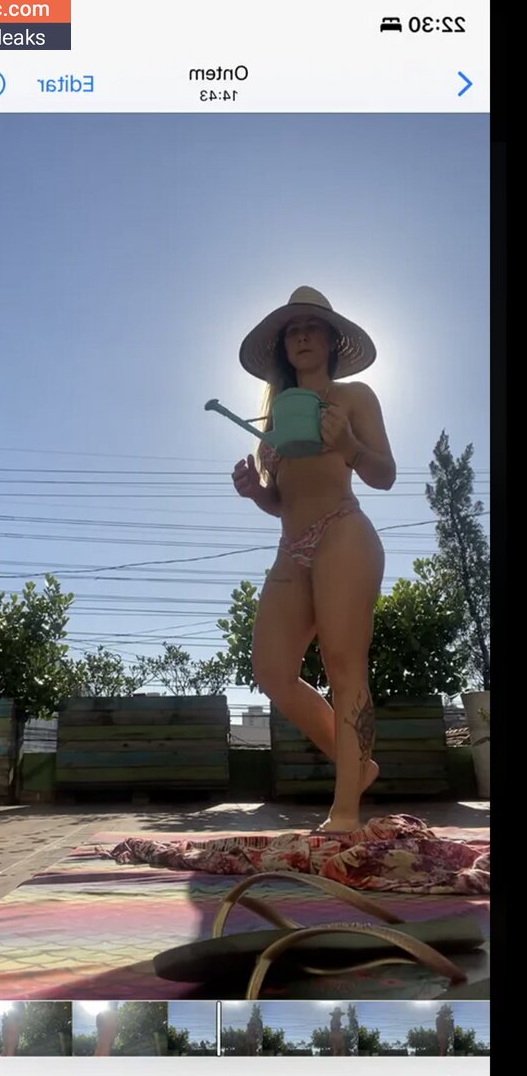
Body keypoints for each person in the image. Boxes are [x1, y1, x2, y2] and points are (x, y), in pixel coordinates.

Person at [232, 287, 396, 832]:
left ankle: (345, 812)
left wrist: (348, 445)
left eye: (311, 327)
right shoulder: (273, 421)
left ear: (331, 340)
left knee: (345, 665)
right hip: (291, 546)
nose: (301, 336)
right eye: (292, 330)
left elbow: (385, 475)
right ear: (284, 346)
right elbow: (282, 501)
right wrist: (257, 492)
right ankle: (359, 767)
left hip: (343, 532)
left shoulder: (354, 397)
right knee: (272, 670)